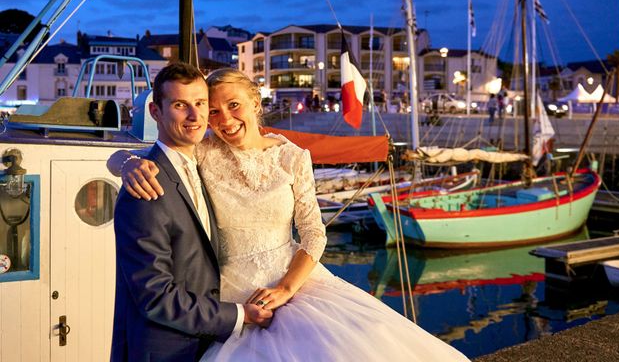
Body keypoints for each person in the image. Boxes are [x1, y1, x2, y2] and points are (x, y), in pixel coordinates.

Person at [109, 68, 470, 362]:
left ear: (255, 103)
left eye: (234, 105)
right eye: (214, 111)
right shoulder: (203, 150)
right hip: (230, 294)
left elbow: (314, 233)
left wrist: (286, 288)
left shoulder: (293, 157)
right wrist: (126, 163)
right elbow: (148, 154)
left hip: (289, 285)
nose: (224, 119)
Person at [109, 63, 272, 362]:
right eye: (181, 105)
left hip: (208, 343)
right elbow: (156, 296)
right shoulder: (143, 188)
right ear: (155, 112)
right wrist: (239, 315)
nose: (195, 116)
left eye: (200, 104)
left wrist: (120, 159)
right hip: (166, 351)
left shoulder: (203, 162)